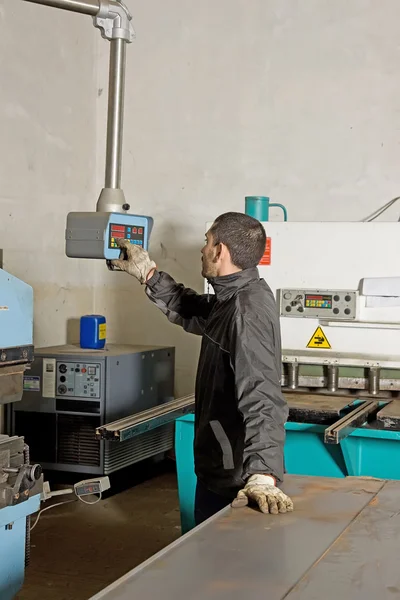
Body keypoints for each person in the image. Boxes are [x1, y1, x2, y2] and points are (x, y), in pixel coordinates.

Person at [112, 212, 293, 525]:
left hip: (233, 478)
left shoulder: (245, 311)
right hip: (219, 466)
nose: (202, 249)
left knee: (220, 567)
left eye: (206, 242)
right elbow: (191, 308)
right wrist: (148, 274)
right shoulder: (236, 297)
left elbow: (262, 395)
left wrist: (262, 474)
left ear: (220, 251)